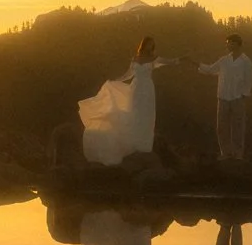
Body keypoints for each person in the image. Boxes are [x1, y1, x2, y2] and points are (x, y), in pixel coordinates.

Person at [77, 35, 180, 166]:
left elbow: (169, 61)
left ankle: (143, 144)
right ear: (144, 44)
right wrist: (116, 80)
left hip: (147, 89)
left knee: (146, 115)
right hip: (136, 88)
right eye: (149, 44)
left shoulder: (154, 58)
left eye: (152, 45)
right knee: (134, 113)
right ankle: (133, 143)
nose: (151, 46)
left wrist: (182, 59)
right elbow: (128, 74)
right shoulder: (135, 59)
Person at [196, 33, 252, 160]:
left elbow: (248, 79)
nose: (226, 44)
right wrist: (196, 64)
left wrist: (244, 95)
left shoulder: (246, 61)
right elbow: (211, 69)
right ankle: (225, 153)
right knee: (221, 127)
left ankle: (238, 154)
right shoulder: (224, 60)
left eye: (229, 42)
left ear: (236, 43)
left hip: (238, 97)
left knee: (238, 127)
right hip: (223, 97)